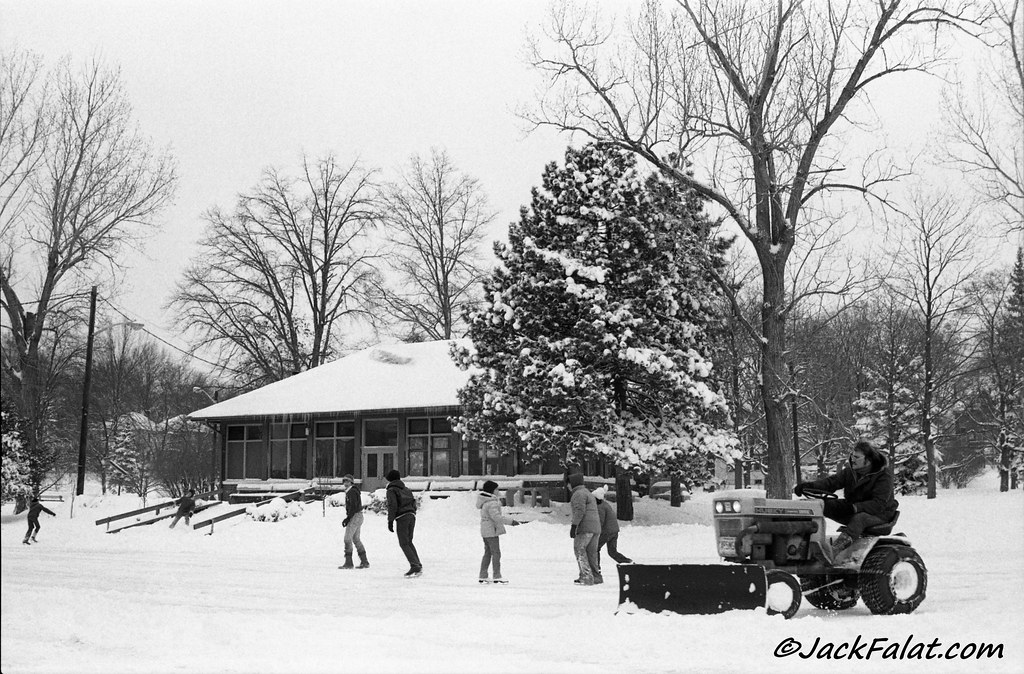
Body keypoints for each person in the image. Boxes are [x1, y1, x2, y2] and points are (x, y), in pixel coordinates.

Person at [794, 440, 898, 552]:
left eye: (857, 457)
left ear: (868, 460)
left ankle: (834, 551)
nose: (852, 459)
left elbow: (878, 504)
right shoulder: (850, 472)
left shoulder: (884, 475)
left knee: (860, 518)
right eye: (852, 456)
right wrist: (809, 486)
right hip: (853, 507)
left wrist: (854, 508)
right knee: (817, 506)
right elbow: (831, 483)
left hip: (880, 514)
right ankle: (801, 543)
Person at [477, 479, 520, 584]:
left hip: (485, 530)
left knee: (488, 553)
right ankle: (497, 575)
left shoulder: (485, 501)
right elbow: (496, 517)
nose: (498, 491)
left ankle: (483, 575)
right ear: (492, 490)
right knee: (496, 553)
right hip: (491, 530)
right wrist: (511, 521)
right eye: (497, 489)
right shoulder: (492, 503)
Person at [386, 469, 422, 577]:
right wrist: (412, 512)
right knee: (409, 542)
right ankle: (417, 563)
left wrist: (390, 520)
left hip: (402, 517)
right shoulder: (406, 489)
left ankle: (415, 565)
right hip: (411, 515)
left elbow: (392, 505)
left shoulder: (391, 490)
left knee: (404, 543)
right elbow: (413, 502)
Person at [567, 472, 602, 585]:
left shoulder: (578, 494)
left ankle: (586, 576)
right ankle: (596, 576)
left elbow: (579, 511)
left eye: (568, 483)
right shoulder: (587, 492)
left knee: (579, 550)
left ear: (573, 483)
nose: (567, 486)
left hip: (585, 528)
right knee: (591, 553)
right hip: (595, 527)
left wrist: (574, 526)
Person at [593, 486, 632, 570]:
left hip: (606, 532)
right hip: (614, 531)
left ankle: (596, 568)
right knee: (612, 552)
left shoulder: (600, 507)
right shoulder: (605, 504)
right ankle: (628, 562)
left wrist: (595, 530)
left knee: (595, 548)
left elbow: (600, 521)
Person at [339, 474, 369, 569]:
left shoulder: (351, 492)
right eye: (344, 481)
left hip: (355, 516)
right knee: (356, 539)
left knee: (347, 539)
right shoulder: (352, 491)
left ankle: (349, 563)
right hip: (358, 516)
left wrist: (348, 518)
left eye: (347, 481)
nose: (345, 483)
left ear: (351, 482)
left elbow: (353, 506)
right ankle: (364, 561)